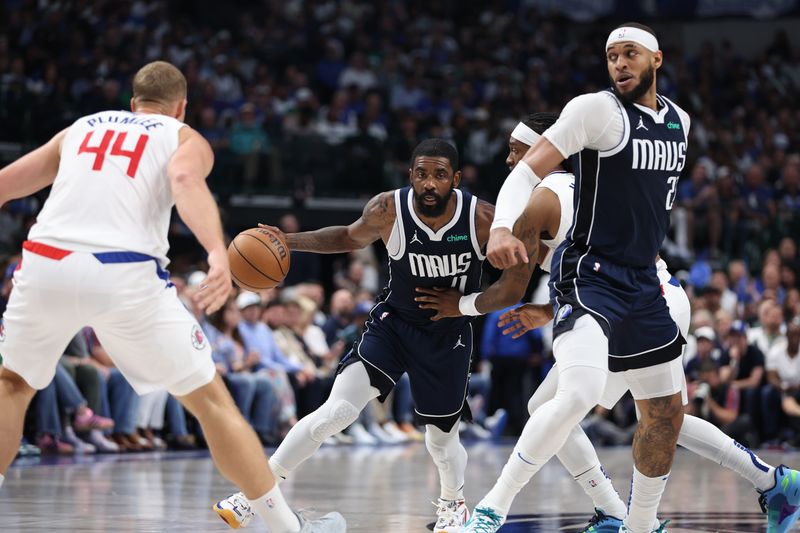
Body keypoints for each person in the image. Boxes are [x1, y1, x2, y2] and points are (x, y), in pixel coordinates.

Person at [0, 61, 343, 533]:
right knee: (210, 402)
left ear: (132, 102)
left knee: (13, 386)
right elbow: (184, 182)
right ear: (182, 107)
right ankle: (287, 528)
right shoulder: (182, 136)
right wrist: (217, 252)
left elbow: (5, 184)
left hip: (44, 262)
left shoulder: (79, 128)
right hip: (122, 271)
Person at [423, 112, 799, 533]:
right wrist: (548, 310)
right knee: (659, 417)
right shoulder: (580, 187)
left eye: (517, 149)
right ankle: (774, 483)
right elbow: (587, 270)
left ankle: (515, 509)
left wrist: (462, 305)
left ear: (548, 150)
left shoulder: (549, 195)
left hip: (640, 303)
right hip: (652, 297)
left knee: (574, 408)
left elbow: (512, 289)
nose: (511, 161)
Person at [216, 139, 500, 533]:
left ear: (455, 178)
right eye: (421, 174)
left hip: (447, 335)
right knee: (336, 412)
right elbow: (347, 237)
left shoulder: (483, 218)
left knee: (440, 438)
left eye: (438, 175)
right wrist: (288, 241)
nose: (429, 183)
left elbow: (514, 283)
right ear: (411, 176)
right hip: (394, 325)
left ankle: (453, 504)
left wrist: (466, 304)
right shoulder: (389, 209)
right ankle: (253, 494)